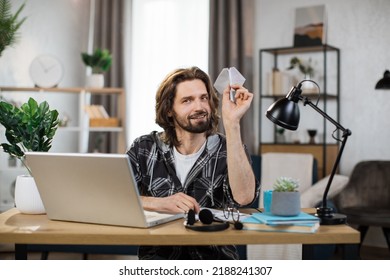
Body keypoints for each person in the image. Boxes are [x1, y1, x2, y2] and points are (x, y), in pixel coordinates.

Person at [127, 66, 260, 259]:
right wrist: (159, 203)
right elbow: (115, 199)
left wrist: (232, 124)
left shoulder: (228, 148)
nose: (199, 107)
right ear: (169, 110)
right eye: (187, 100)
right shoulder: (144, 148)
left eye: (203, 98)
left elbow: (245, 198)